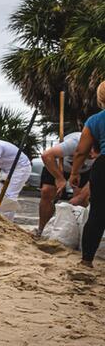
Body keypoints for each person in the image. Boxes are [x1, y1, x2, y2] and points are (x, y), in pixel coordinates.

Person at [69, 81, 105, 267]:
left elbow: (81, 151)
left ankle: (86, 260)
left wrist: (74, 172)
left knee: (98, 214)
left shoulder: (95, 120)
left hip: (103, 166)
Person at [37, 131, 96, 236]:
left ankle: (76, 234)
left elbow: (96, 179)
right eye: (89, 152)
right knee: (47, 192)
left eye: (95, 154)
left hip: (85, 172)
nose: (92, 155)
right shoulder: (74, 142)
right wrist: (59, 178)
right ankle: (41, 230)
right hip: (57, 167)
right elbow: (46, 156)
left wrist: (80, 197)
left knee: (81, 201)